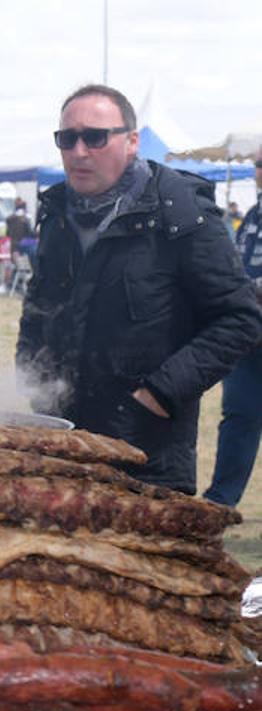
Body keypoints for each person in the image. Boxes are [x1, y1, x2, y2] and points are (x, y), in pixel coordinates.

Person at [17, 84, 262, 494]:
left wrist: (161, 391)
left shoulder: (180, 212)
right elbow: (36, 311)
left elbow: (239, 319)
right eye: (67, 138)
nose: (79, 151)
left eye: (95, 137)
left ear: (132, 141)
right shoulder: (57, 215)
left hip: (147, 457)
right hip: (61, 445)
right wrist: (31, 380)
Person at [203, 151, 262, 506]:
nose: (259, 171)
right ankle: (221, 502)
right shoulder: (253, 215)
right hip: (249, 334)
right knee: (239, 414)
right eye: (258, 165)